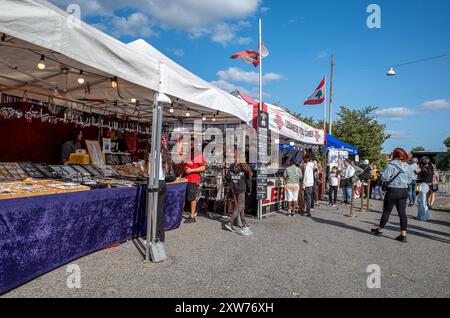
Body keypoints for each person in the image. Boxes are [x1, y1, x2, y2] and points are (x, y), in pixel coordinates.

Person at [371, 148, 414, 243]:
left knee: (386, 211)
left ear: (395, 155)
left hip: (393, 190)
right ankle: (403, 235)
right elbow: (411, 179)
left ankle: (380, 230)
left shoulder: (391, 165)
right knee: (402, 213)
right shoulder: (408, 166)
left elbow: (384, 178)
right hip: (404, 190)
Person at [224, 163, 252, 232]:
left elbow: (227, 177)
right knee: (240, 206)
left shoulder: (232, 166)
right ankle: (230, 222)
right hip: (242, 189)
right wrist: (249, 189)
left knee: (242, 206)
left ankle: (244, 223)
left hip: (235, 188)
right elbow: (248, 180)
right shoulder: (244, 167)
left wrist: (232, 181)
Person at [183, 148, 206, 224]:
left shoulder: (197, 154)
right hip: (185, 179)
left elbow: (203, 167)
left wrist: (191, 170)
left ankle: (192, 216)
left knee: (192, 198)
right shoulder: (188, 153)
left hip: (193, 179)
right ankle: (190, 213)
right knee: (185, 197)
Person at [417, 157, 433, 221]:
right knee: (420, 201)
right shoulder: (430, 168)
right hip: (424, 185)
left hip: (423, 185)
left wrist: (417, 177)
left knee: (422, 201)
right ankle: (421, 215)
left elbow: (422, 179)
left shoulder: (423, 169)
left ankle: (424, 216)